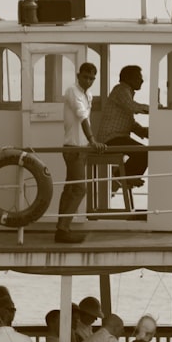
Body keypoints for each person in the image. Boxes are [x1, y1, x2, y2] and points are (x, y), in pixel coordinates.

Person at [57, 61, 107, 244]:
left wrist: (89, 142)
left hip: (82, 148)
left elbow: (86, 119)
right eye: (85, 77)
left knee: (70, 188)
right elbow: (82, 117)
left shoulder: (89, 94)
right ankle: (62, 229)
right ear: (78, 76)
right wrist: (93, 140)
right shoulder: (72, 91)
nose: (88, 81)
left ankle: (62, 228)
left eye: (92, 78)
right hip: (73, 148)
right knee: (79, 188)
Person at [98, 65, 149, 187]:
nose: (142, 81)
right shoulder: (121, 90)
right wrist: (155, 110)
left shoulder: (126, 92)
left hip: (117, 138)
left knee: (144, 152)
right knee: (144, 152)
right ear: (129, 78)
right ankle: (123, 177)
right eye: (138, 78)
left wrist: (143, 131)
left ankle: (125, 177)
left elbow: (130, 122)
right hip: (110, 139)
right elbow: (133, 106)